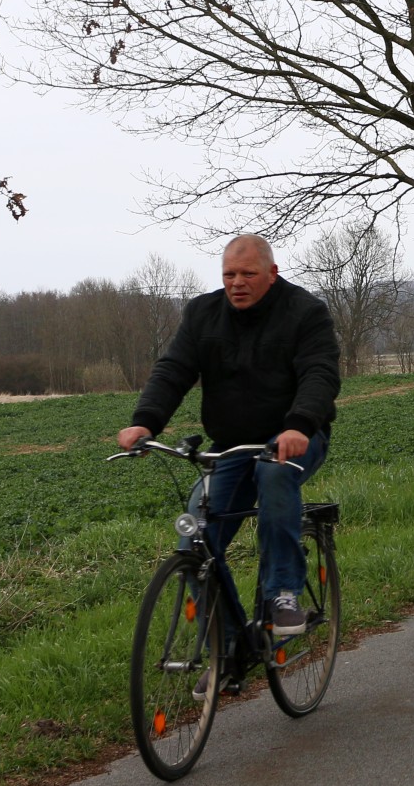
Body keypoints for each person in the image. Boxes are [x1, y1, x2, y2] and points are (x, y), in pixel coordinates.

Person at [119, 234, 341, 653]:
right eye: (229, 274)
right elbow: (173, 370)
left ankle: (282, 594)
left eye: (248, 274)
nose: (237, 283)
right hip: (233, 446)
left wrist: (299, 425)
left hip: (296, 437)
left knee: (274, 474)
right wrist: (145, 422)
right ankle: (232, 648)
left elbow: (319, 373)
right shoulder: (203, 314)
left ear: (272, 275)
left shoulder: (305, 312)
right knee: (195, 544)